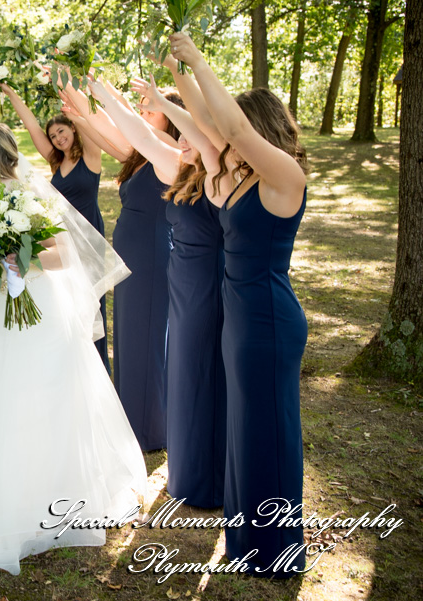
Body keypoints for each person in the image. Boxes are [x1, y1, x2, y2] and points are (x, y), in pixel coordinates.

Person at [0, 118, 147, 575]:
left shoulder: (22, 193)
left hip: (36, 315)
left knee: (37, 403)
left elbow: (63, 254)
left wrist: (17, 255)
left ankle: (42, 507)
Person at [172, 32, 309, 576]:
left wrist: (198, 59)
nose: (227, 137)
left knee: (267, 430)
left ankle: (275, 551)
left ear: (260, 128)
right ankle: (246, 539)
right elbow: (209, 125)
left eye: (242, 127)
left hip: (268, 321)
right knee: (245, 429)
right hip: (239, 319)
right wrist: (177, 72)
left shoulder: (285, 177)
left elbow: (230, 129)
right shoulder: (239, 179)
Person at [129, 67, 233, 508]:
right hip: (182, 285)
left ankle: (207, 480)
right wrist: (97, 91)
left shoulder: (218, 175)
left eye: (189, 136)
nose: (181, 143)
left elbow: (197, 132)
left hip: (208, 287)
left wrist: (172, 91)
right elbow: (141, 135)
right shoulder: (184, 171)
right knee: (182, 375)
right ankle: (185, 472)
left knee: (202, 375)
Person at [62, 77, 183, 452]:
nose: (143, 114)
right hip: (133, 255)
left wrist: (93, 89)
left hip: (151, 254)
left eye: (152, 110)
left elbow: (124, 121)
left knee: (146, 336)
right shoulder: (142, 153)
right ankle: (134, 419)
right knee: (130, 336)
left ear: (170, 118)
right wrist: (77, 102)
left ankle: (148, 430)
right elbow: (109, 130)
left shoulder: (168, 150)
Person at [0, 83, 111, 371]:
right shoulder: (55, 161)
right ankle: (73, 368)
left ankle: (97, 368)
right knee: (68, 302)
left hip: (88, 236)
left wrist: (71, 97)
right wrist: (12, 95)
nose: (58, 138)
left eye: (62, 131)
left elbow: (89, 124)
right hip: (61, 238)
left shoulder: (91, 157)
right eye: (53, 136)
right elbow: (32, 127)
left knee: (91, 302)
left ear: (72, 128)